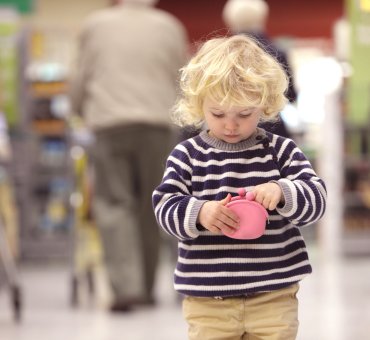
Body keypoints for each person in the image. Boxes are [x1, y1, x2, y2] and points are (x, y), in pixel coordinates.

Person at [152, 35, 327, 339]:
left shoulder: (280, 151)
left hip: (274, 295)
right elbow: (165, 206)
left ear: (265, 103)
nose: (231, 125)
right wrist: (199, 212)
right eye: (218, 114)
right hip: (208, 300)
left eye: (244, 114)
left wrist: (283, 191)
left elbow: (317, 199)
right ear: (199, 104)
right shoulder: (187, 156)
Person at [69, 0, 188, 312]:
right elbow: (182, 79)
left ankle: (126, 287)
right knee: (157, 202)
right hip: (158, 124)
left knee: (114, 204)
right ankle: (149, 288)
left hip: (109, 122)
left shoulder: (96, 24)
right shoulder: (169, 26)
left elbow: (81, 75)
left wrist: (77, 109)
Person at [222, 0, 297, 137]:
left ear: (229, 19)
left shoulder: (221, 55)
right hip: (273, 127)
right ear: (262, 17)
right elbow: (291, 95)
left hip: (232, 131)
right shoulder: (277, 53)